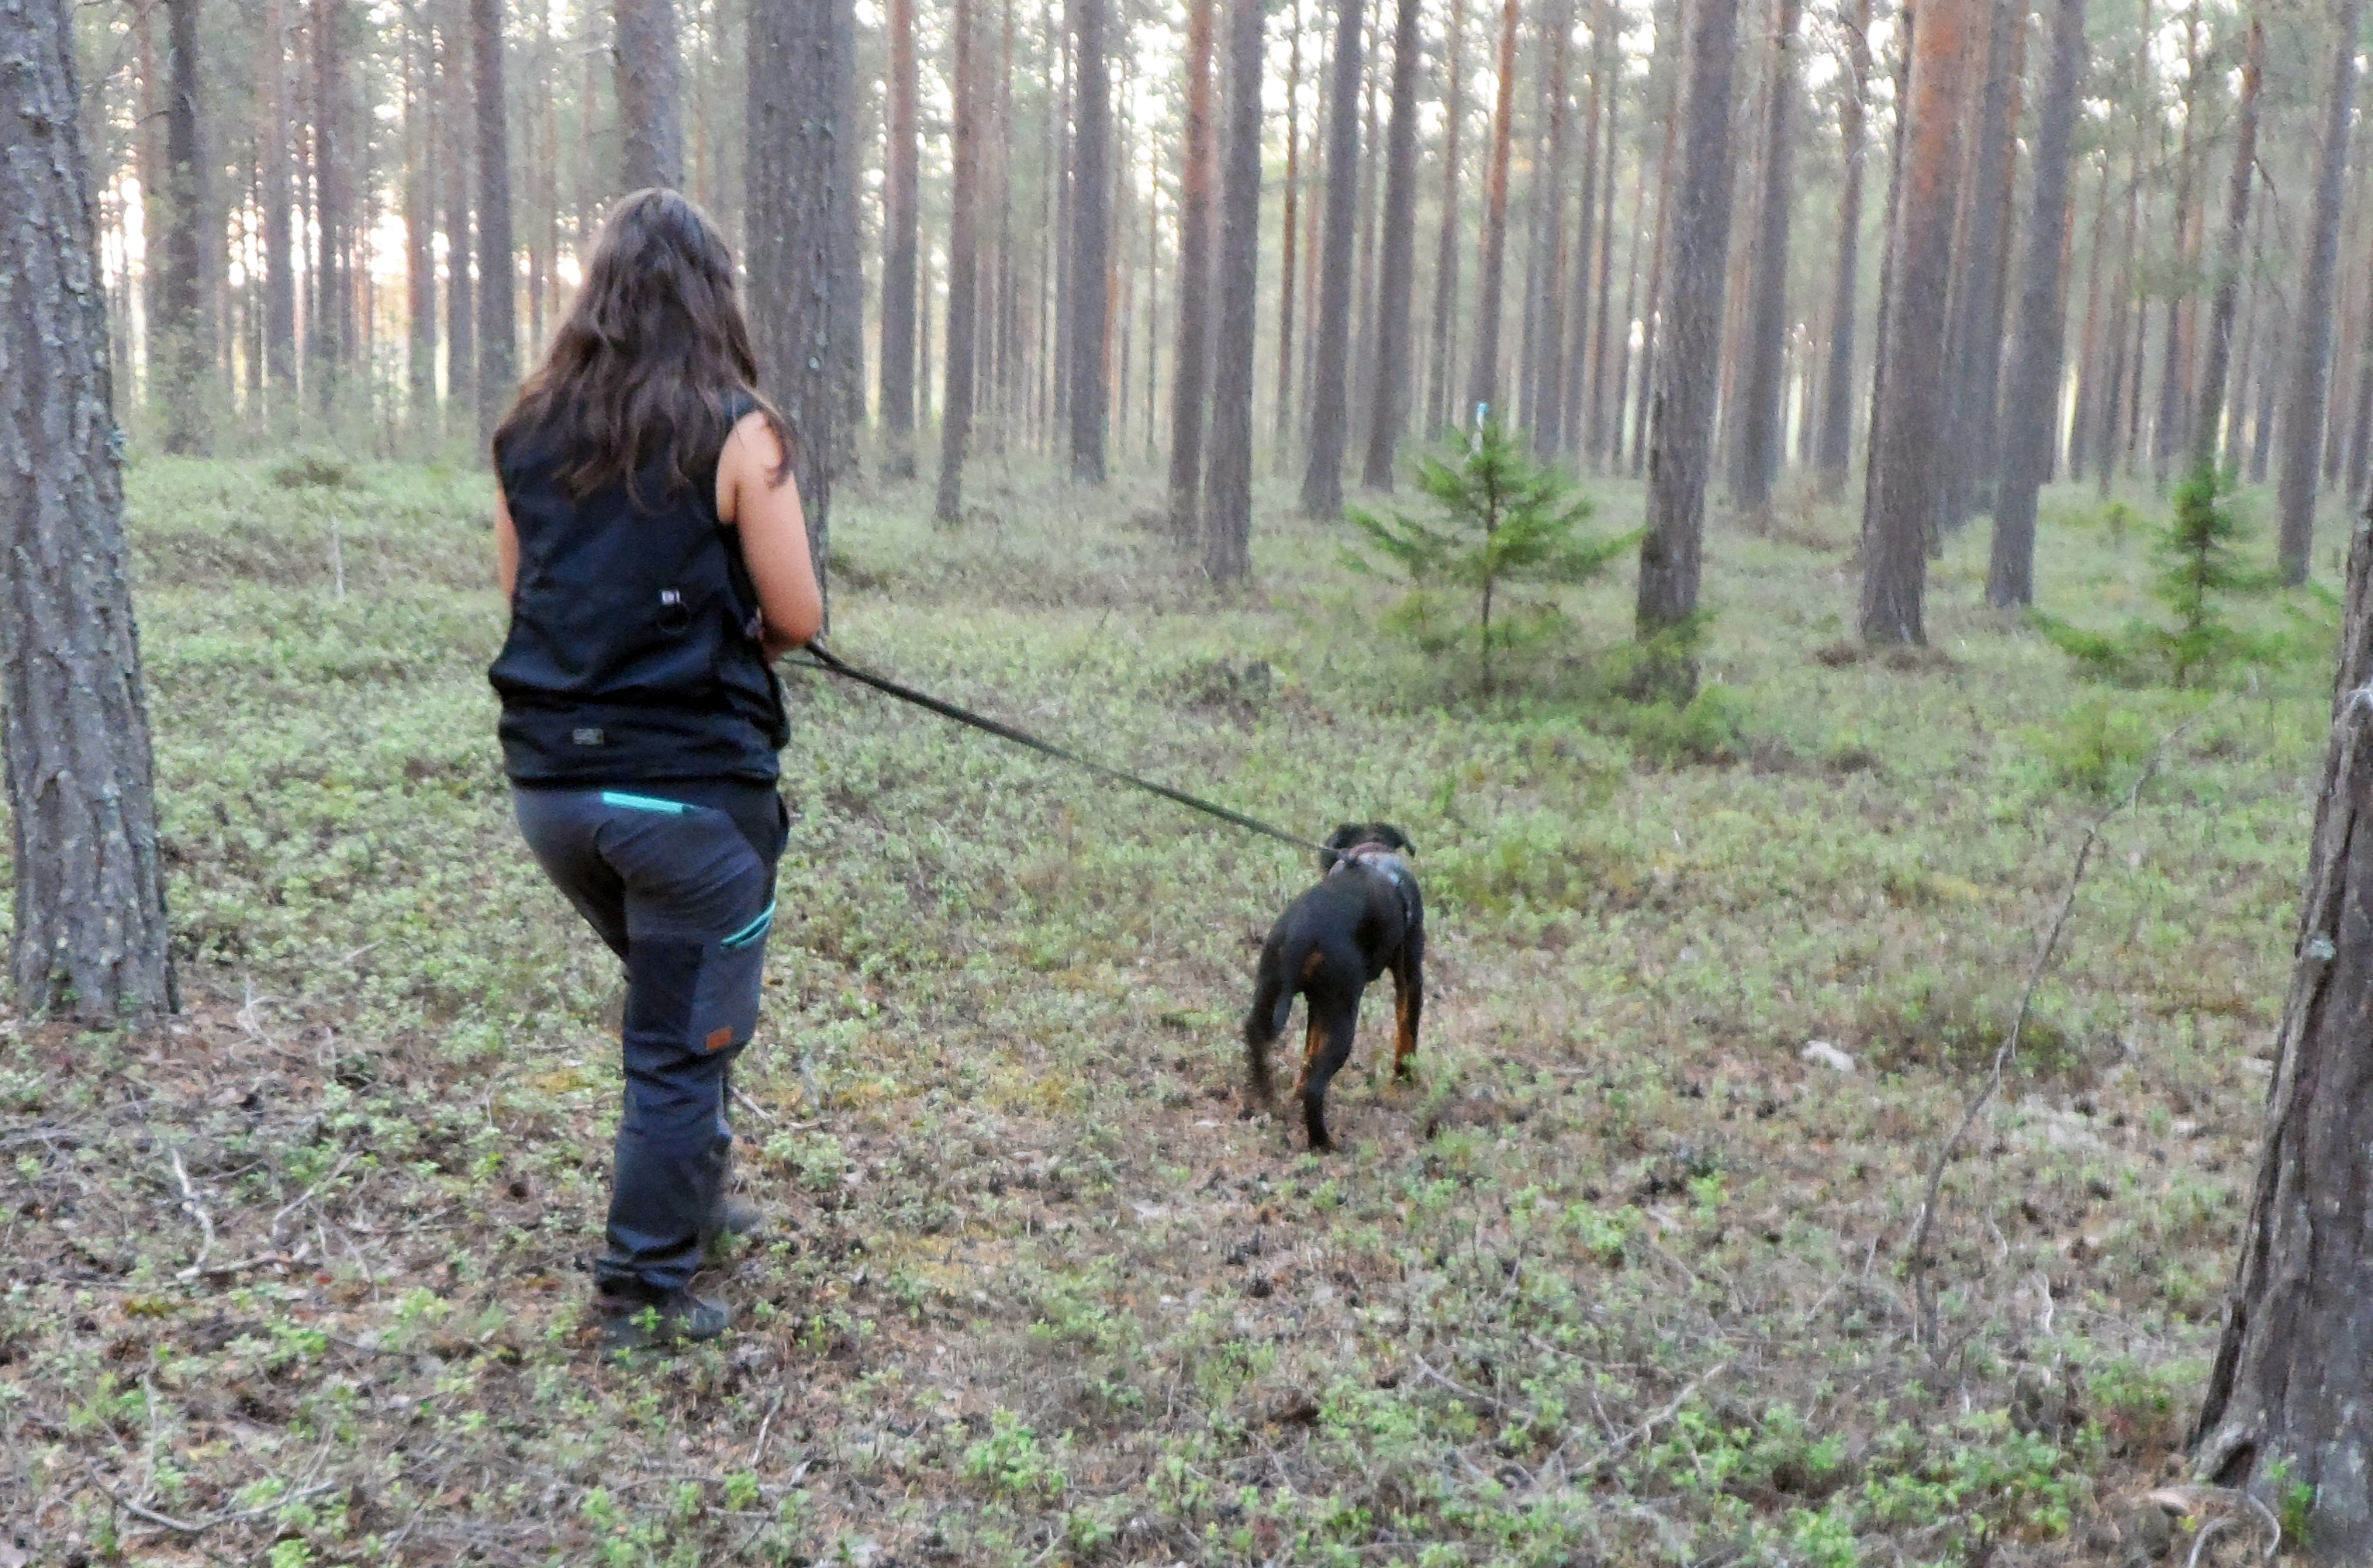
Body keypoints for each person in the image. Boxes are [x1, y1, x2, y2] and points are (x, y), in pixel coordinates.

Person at [487, 189, 824, 1352]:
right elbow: (798, 614)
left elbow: (529, 599)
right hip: (688, 803)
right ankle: (641, 1290)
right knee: (680, 1040)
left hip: (555, 798)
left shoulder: (527, 432)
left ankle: (692, 1196)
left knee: (683, 1003)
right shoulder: (740, 432)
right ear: (714, 298)